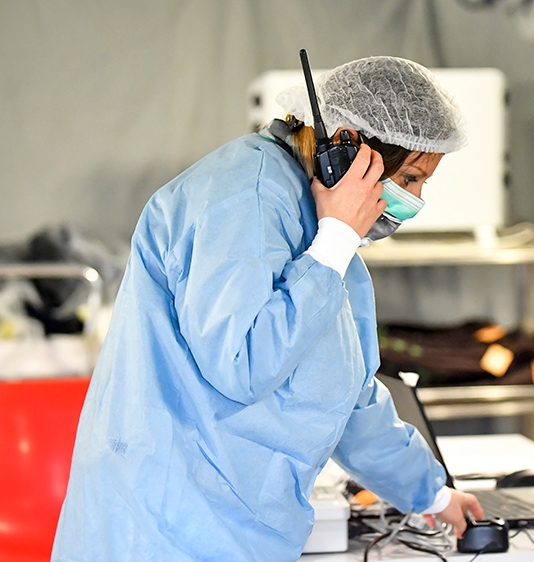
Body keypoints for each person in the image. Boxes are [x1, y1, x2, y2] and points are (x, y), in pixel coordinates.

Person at [53, 56, 484, 562]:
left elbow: (345, 396)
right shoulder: (246, 198)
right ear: (348, 150)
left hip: (234, 531)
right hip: (162, 530)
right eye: (409, 179)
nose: (411, 202)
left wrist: (430, 494)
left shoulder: (325, 240)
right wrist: (336, 238)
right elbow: (242, 361)